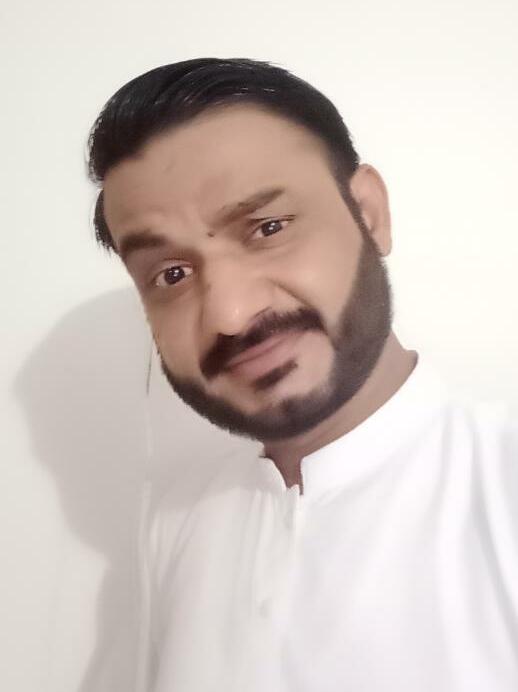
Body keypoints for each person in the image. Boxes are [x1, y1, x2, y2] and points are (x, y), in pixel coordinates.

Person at [87, 58, 518, 692]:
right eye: (171, 274)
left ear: (368, 213)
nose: (230, 315)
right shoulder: (175, 525)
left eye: (267, 228)